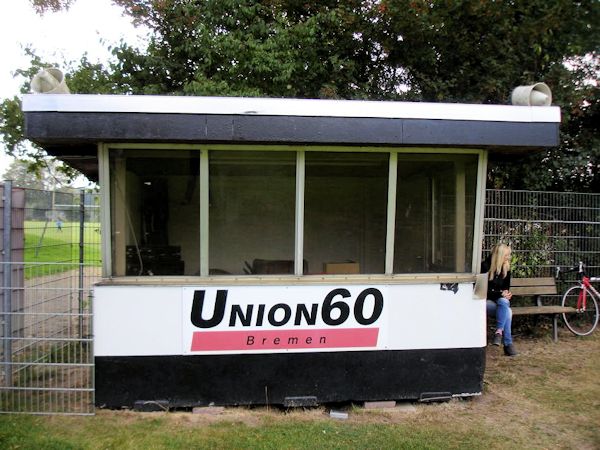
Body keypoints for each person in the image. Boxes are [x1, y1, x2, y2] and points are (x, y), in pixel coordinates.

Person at [482, 243, 518, 357]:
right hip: (484, 302)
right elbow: (482, 291)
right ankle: (508, 344)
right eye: (507, 255)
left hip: (500, 302)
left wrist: (507, 294)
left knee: (504, 303)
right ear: (500, 256)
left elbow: (506, 289)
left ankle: (499, 332)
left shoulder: (506, 268)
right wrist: (499, 294)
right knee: (508, 311)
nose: (509, 258)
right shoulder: (485, 267)